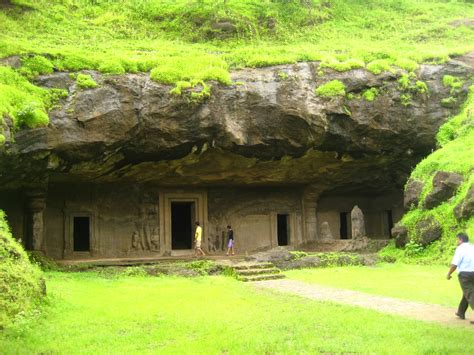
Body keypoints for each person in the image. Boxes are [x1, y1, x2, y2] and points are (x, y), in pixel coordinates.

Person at [446, 232, 474, 324]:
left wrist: (448, 273)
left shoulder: (460, 249)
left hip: (465, 274)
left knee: (470, 294)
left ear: (460, 240)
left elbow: (455, 264)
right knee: (468, 292)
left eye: (457, 239)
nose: (456, 241)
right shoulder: (472, 247)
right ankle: (461, 312)